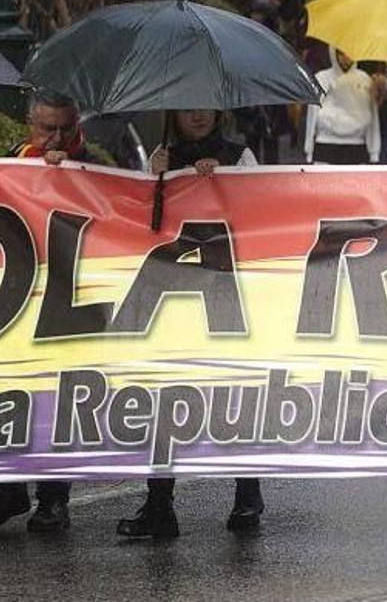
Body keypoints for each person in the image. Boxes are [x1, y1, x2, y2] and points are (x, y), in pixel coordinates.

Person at [116, 109, 263, 539]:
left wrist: (226, 184)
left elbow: (266, 214)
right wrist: (156, 180)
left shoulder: (240, 157)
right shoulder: (159, 159)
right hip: (173, 296)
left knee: (237, 394)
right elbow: (139, 223)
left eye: (206, 106)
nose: (198, 115)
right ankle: (159, 503)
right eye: (188, 107)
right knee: (166, 398)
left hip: (228, 294)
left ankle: (247, 496)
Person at [0, 91, 92, 532]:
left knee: (59, 399)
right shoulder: (14, 159)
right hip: (19, 292)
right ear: (29, 126)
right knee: (10, 392)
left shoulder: (94, 165)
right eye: (46, 128)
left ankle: (53, 499)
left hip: (69, 298)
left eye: (65, 129)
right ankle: (10, 488)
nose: (56, 137)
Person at [304, 47, 383, 165]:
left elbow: (373, 117)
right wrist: (309, 151)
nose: (346, 57)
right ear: (334, 54)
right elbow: (312, 114)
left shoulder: (365, 79)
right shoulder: (321, 78)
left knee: (355, 183)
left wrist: (374, 152)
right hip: (326, 143)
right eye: (341, 53)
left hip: (357, 145)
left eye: (350, 53)